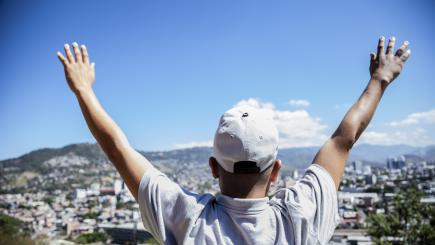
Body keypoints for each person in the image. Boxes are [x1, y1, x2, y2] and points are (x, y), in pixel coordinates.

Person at [57, 36, 411, 245]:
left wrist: (83, 90)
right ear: (275, 171)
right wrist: (379, 79)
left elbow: (117, 148)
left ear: (213, 167)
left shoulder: (187, 220)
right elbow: (342, 140)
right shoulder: (301, 215)